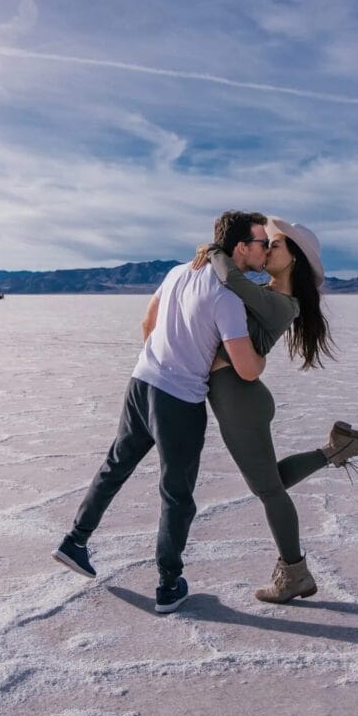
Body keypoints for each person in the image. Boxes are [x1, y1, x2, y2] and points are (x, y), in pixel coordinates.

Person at [52, 212, 270, 613]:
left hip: (141, 383)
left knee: (115, 465)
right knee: (177, 494)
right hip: (179, 402)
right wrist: (261, 353)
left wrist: (162, 358)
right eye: (262, 243)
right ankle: (169, 584)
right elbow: (247, 369)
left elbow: (147, 322)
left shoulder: (176, 272)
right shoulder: (226, 297)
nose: (266, 250)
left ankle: (75, 540)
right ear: (240, 247)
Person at [195, 213, 358, 604]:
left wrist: (217, 249)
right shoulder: (268, 292)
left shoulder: (282, 303)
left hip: (239, 400)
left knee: (269, 491)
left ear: (294, 260)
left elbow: (230, 277)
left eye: (277, 245)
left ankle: (294, 574)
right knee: (270, 484)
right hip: (239, 398)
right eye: (267, 243)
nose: (268, 249)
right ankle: (336, 448)